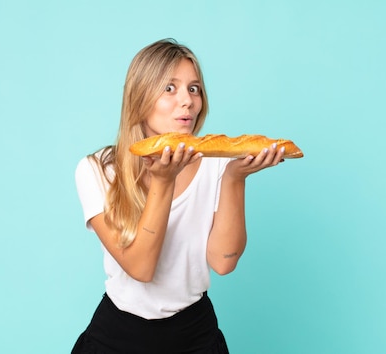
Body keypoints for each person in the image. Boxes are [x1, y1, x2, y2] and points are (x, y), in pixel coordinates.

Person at [72, 38, 285, 354]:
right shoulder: (98, 170)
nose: (187, 100)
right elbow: (141, 269)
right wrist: (163, 181)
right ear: (140, 95)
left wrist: (234, 179)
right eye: (169, 88)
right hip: (117, 338)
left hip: (194, 335)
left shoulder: (218, 164)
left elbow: (223, 263)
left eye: (194, 88)